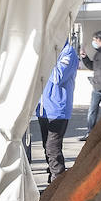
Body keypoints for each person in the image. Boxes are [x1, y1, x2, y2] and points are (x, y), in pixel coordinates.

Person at [35, 37, 80, 180]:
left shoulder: (69, 53)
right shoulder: (47, 52)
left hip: (58, 110)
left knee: (52, 148)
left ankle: (58, 181)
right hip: (43, 108)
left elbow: (57, 76)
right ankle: (53, 179)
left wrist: (43, 62)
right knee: (47, 148)